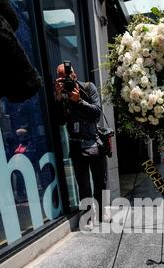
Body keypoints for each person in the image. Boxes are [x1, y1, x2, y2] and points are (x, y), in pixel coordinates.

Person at [55, 63, 109, 226]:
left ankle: (101, 212)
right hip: (77, 145)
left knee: (100, 181)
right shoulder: (62, 95)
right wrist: (58, 99)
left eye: (68, 73)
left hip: (94, 141)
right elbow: (60, 120)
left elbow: (97, 111)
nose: (67, 78)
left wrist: (79, 102)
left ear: (74, 73)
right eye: (62, 76)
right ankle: (88, 215)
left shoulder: (88, 87)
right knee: (83, 184)